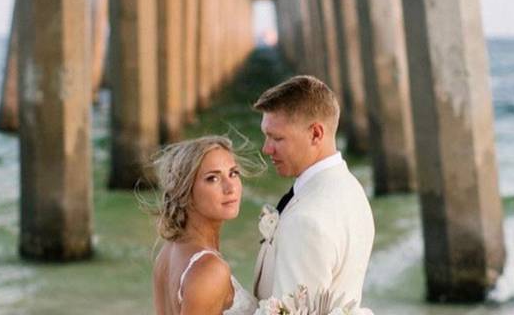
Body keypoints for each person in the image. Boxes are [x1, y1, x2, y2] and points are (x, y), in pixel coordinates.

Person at [252, 75, 375, 307]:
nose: (266, 149)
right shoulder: (352, 189)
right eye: (266, 135)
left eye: (277, 138)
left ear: (316, 134)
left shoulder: (305, 222)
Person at [150, 136, 260, 315]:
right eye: (212, 179)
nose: (230, 187)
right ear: (185, 190)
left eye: (233, 173)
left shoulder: (168, 253)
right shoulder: (210, 270)